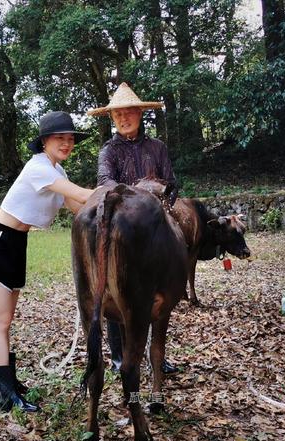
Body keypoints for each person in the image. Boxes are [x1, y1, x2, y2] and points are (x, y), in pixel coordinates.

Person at [0, 111, 95, 412]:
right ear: (44, 142)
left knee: (6, 322)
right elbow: (81, 194)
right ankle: (5, 394)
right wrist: (116, 192)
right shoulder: (38, 167)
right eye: (60, 138)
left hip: (17, 243)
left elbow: (78, 206)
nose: (67, 144)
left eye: (71, 139)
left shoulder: (57, 172)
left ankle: (8, 382)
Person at [87, 82, 181, 375]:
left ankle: (157, 356)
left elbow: (172, 185)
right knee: (116, 291)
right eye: (118, 116)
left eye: (129, 113)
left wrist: (160, 198)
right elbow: (105, 184)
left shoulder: (158, 148)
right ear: (112, 120)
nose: (124, 119)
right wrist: (141, 193)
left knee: (158, 293)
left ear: (140, 114)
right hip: (121, 232)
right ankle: (119, 358)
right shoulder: (108, 151)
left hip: (156, 230)